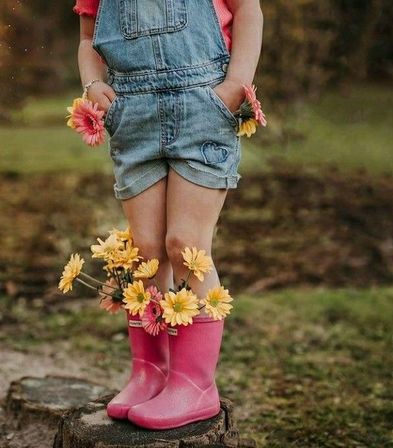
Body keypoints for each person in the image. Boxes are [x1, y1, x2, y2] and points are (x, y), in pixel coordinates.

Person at [75, 0, 263, 430]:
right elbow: (88, 39)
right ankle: (151, 373)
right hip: (133, 113)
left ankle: (194, 384)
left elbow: (249, 11)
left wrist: (237, 83)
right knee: (146, 252)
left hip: (203, 105)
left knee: (186, 244)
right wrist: (91, 83)